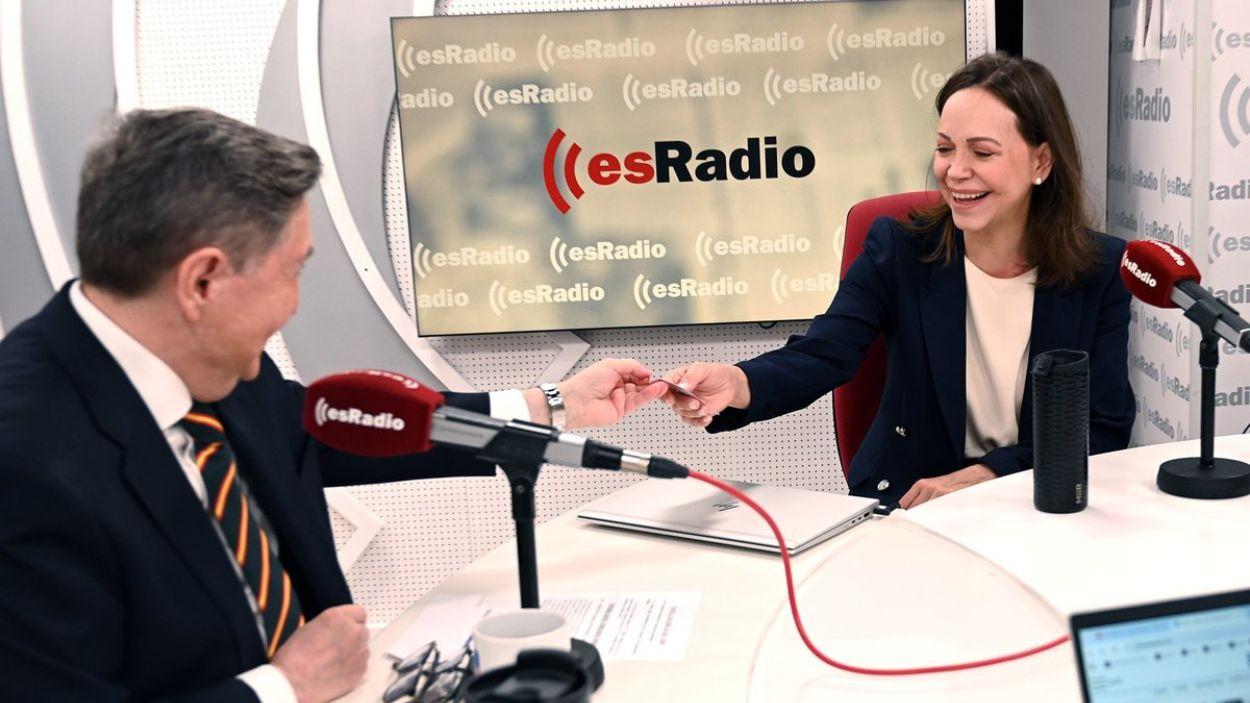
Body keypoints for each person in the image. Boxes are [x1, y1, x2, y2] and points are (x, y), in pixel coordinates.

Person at [0, 108, 665, 703]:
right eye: (293, 271)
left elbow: (324, 430)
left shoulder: (209, 359)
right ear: (202, 280)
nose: (294, 303)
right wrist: (281, 687)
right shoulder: (23, 460)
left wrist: (551, 405)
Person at [660, 53, 1134, 509]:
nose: (956, 170)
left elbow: (1103, 429)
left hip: (1038, 500)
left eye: (982, 152)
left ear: (1041, 163)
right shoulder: (900, 250)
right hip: (910, 501)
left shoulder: (1101, 270)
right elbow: (825, 353)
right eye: (945, 148)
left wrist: (989, 475)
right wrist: (738, 382)